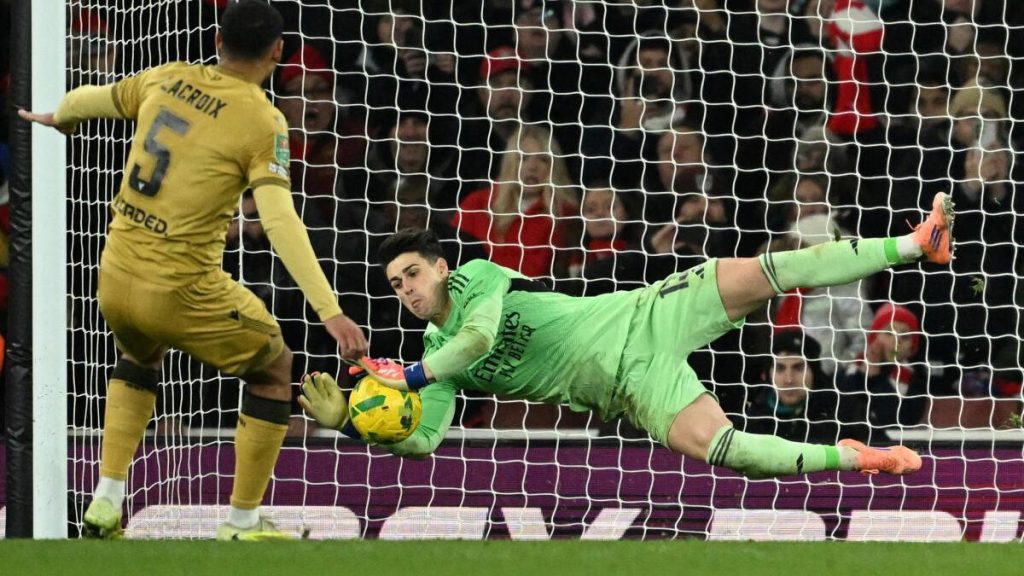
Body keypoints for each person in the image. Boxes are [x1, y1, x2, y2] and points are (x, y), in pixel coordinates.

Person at [18, 0, 367, 540]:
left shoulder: (167, 77)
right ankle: (243, 521)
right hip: (180, 290)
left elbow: (92, 99)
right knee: (275, 367)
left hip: (114, 276)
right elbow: (279, 220)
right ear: (277, 51)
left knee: (140, 353)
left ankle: (106, 499)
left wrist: (58, 115)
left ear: (218, 41)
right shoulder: (263, 120)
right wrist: (330, 311)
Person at [300, 193, 957, 478]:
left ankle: (916, 243)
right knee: (729, 450)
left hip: (644, 312)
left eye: (413, 273)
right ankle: (857, 457)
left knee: (769, 270)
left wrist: (410, 376)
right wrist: (352, 424)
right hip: (629, 386)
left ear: (441, 267)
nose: (407, 289)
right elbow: (424, 440)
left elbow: (478, 338)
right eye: (396, 284)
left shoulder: (477, 279)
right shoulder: (435, 360)